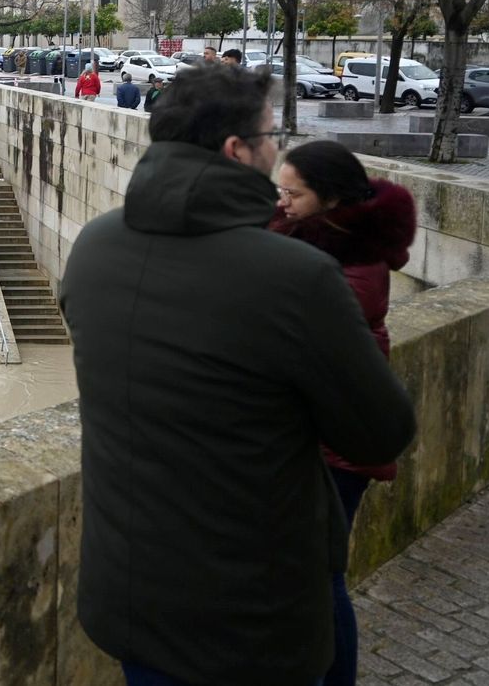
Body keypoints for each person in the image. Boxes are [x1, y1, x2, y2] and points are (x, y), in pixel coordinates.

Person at [59, 66, 415, 686]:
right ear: (236, 151)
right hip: (249, 620)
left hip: (128, 597)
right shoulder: (296, 278)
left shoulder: (92, 248)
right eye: (272, 134)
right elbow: (381, 434)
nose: (279, 149)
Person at [269, 140, 416, 686]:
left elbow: (302, 339)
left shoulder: (350, 261)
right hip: (326, 439)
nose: (282, 202)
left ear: (329, 198)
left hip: (336, 449)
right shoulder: (325, 237)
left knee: (322, 577)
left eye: (294, 194)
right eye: (279, 190)